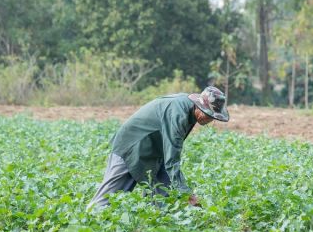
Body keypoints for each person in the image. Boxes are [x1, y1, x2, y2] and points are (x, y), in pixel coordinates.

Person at [88, 86, 229, 209]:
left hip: (152, 152)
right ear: (199, 106)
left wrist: (183, 191)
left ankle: (156, 227)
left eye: (212, 117)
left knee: (163, 193)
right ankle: (88, 221)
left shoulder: (189, 109)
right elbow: (172, 156)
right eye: (208, 115)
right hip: (130, 146)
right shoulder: (178, 112)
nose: (209, 120)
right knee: (107, 199)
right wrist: (186, 193)